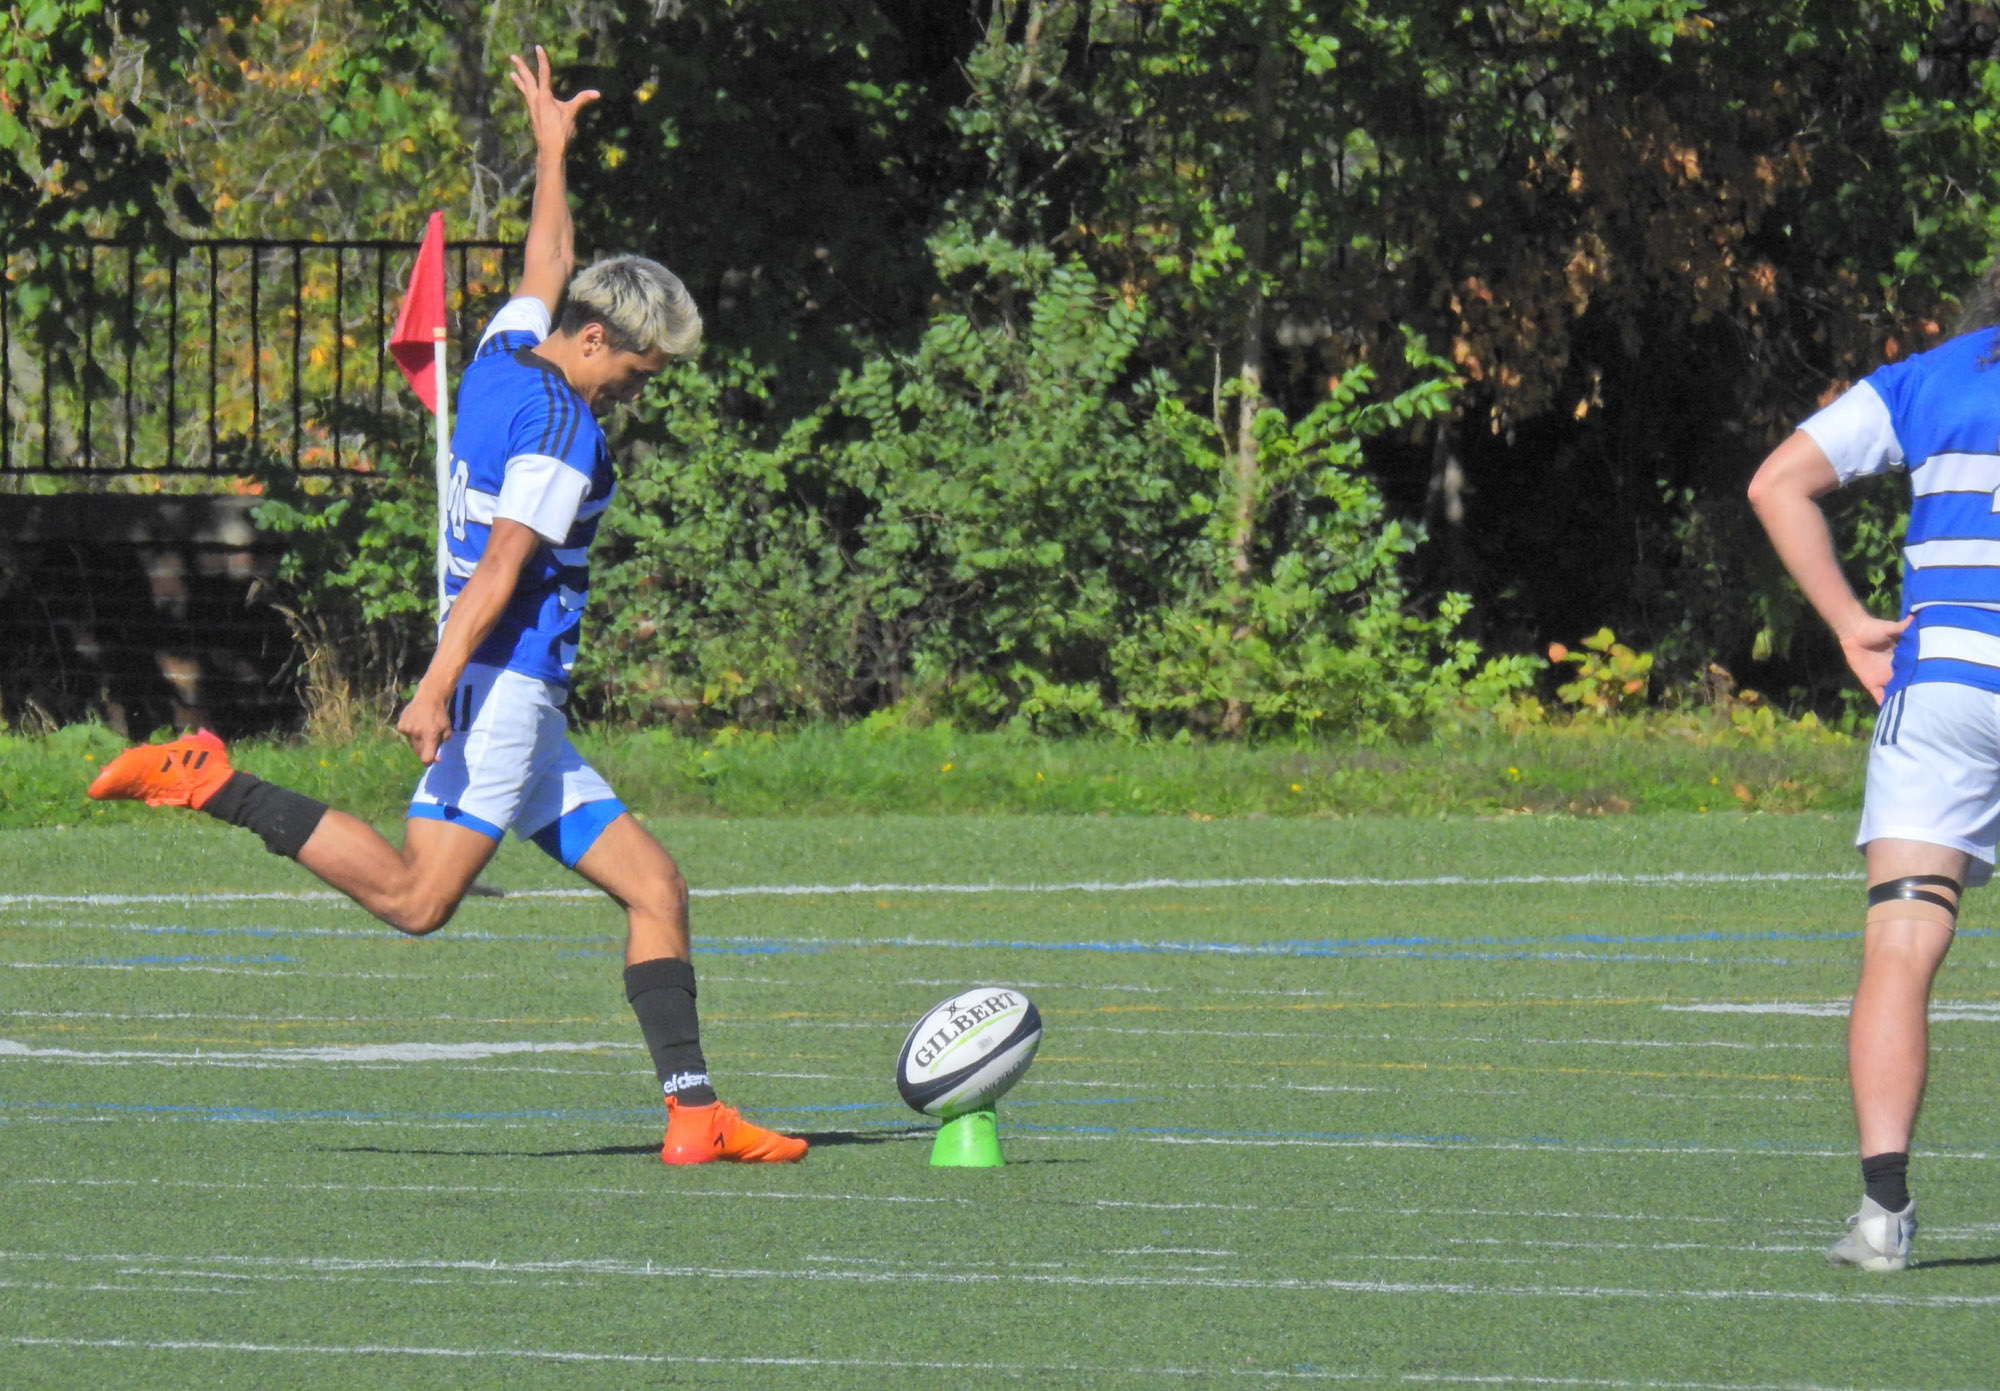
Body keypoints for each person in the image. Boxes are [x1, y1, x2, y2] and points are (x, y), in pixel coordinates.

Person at [87, 47, 805, 1167]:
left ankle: (692, 1110)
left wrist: (551, 150)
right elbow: (506, 563)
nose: (641, 386)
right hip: (498, 685)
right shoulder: (566, 430)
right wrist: (433, 687)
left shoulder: (503, 353)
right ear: (598, 341)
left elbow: (545, 254)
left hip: (515, 696)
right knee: (421, 899)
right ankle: (212, 778)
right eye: (643, 367)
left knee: (654, 883)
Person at [1745, 291, 2000, 1268]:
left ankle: (1880, 1216)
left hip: (1940, 688)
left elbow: (1776, 483)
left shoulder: (1933, 375)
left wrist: (1850, 623)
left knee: (1900, 938)